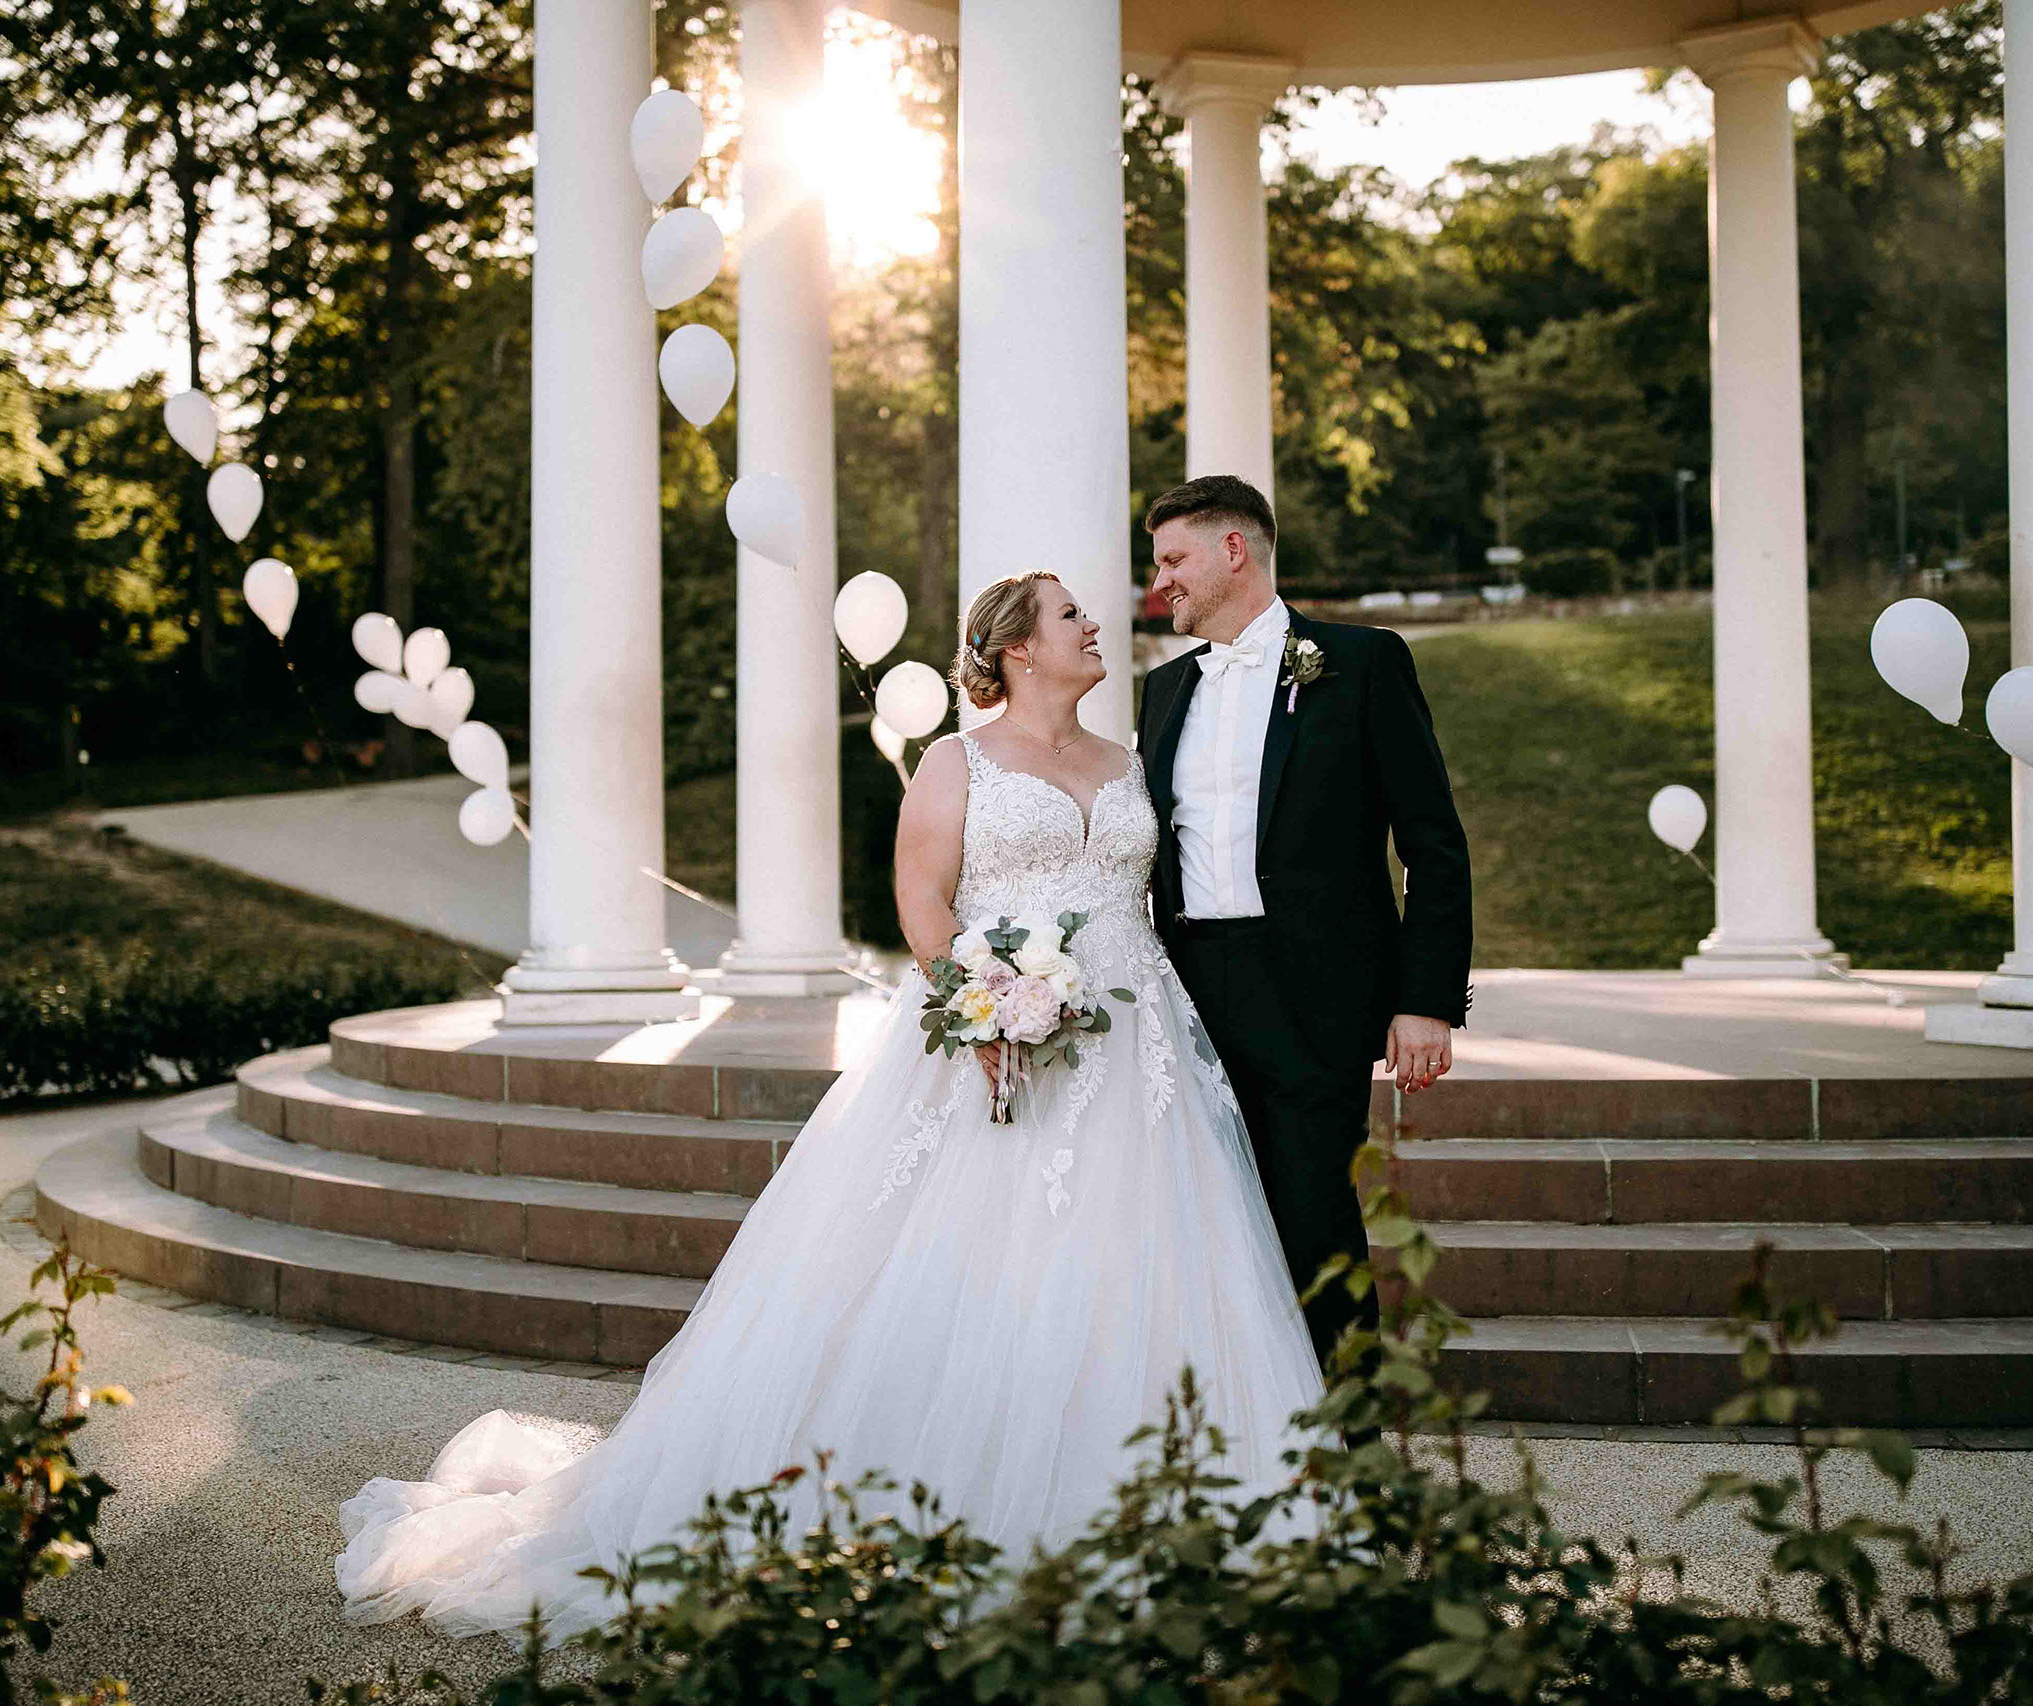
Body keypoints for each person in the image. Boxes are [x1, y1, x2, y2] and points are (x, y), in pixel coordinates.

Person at [334, 570, 1324, 1640]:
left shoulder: (1129, 760)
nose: (1094, 625)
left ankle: (1171, 1502)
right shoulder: (956, 762)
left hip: (1137, 1046)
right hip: (995, 1033)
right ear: (1017, 649)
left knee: (1147, 1253)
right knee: (976, 1252)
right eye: (1072, 615)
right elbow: (921, 897)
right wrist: (985, 1009)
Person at [1138, 475, 1474, 1368]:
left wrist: (1426, 999)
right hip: (1190, 995)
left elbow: (1432, 842)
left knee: (1314, 1212)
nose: (1160, 581)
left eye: (1175, 559)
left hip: (1314, 997)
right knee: (1210, 1217)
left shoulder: (1361, 662)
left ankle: (1348, 1443)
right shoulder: (1163, 690)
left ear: (1233, 550)